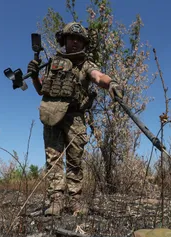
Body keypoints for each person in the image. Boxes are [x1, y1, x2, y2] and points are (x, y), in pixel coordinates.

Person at [27, 22, 123, 216]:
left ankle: (75, 202)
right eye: (72, 38)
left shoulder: (85, 64)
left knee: (74, 160)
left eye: (79, 39)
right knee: (53, 160)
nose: (75, 42)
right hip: (52, 115)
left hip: (75, 117)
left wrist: (111, 83)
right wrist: (34, 75)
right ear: (64, 40)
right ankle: (56, 201)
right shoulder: (54, 63)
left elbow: (98, 76)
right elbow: (41, 90)